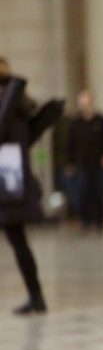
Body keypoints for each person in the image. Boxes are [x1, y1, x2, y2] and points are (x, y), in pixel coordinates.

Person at [0, 67, 64, 315]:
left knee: (19, 243)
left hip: (8, 187)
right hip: (10, 186)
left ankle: (36, 297)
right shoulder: (15, 112)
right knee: (19, 243)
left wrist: (16, 87)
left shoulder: (11, 113)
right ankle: (36, 296)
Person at [67, 90, 103, 231]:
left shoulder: (102, 120)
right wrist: (70, 163)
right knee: (83, 192)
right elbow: (70, 144)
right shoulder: (75, 123)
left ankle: (100, 221)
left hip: (99, 164)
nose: (86, 105)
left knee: (100, 192)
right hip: (81, 164)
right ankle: (85, 221)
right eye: (83, 102)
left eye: (88, 101)